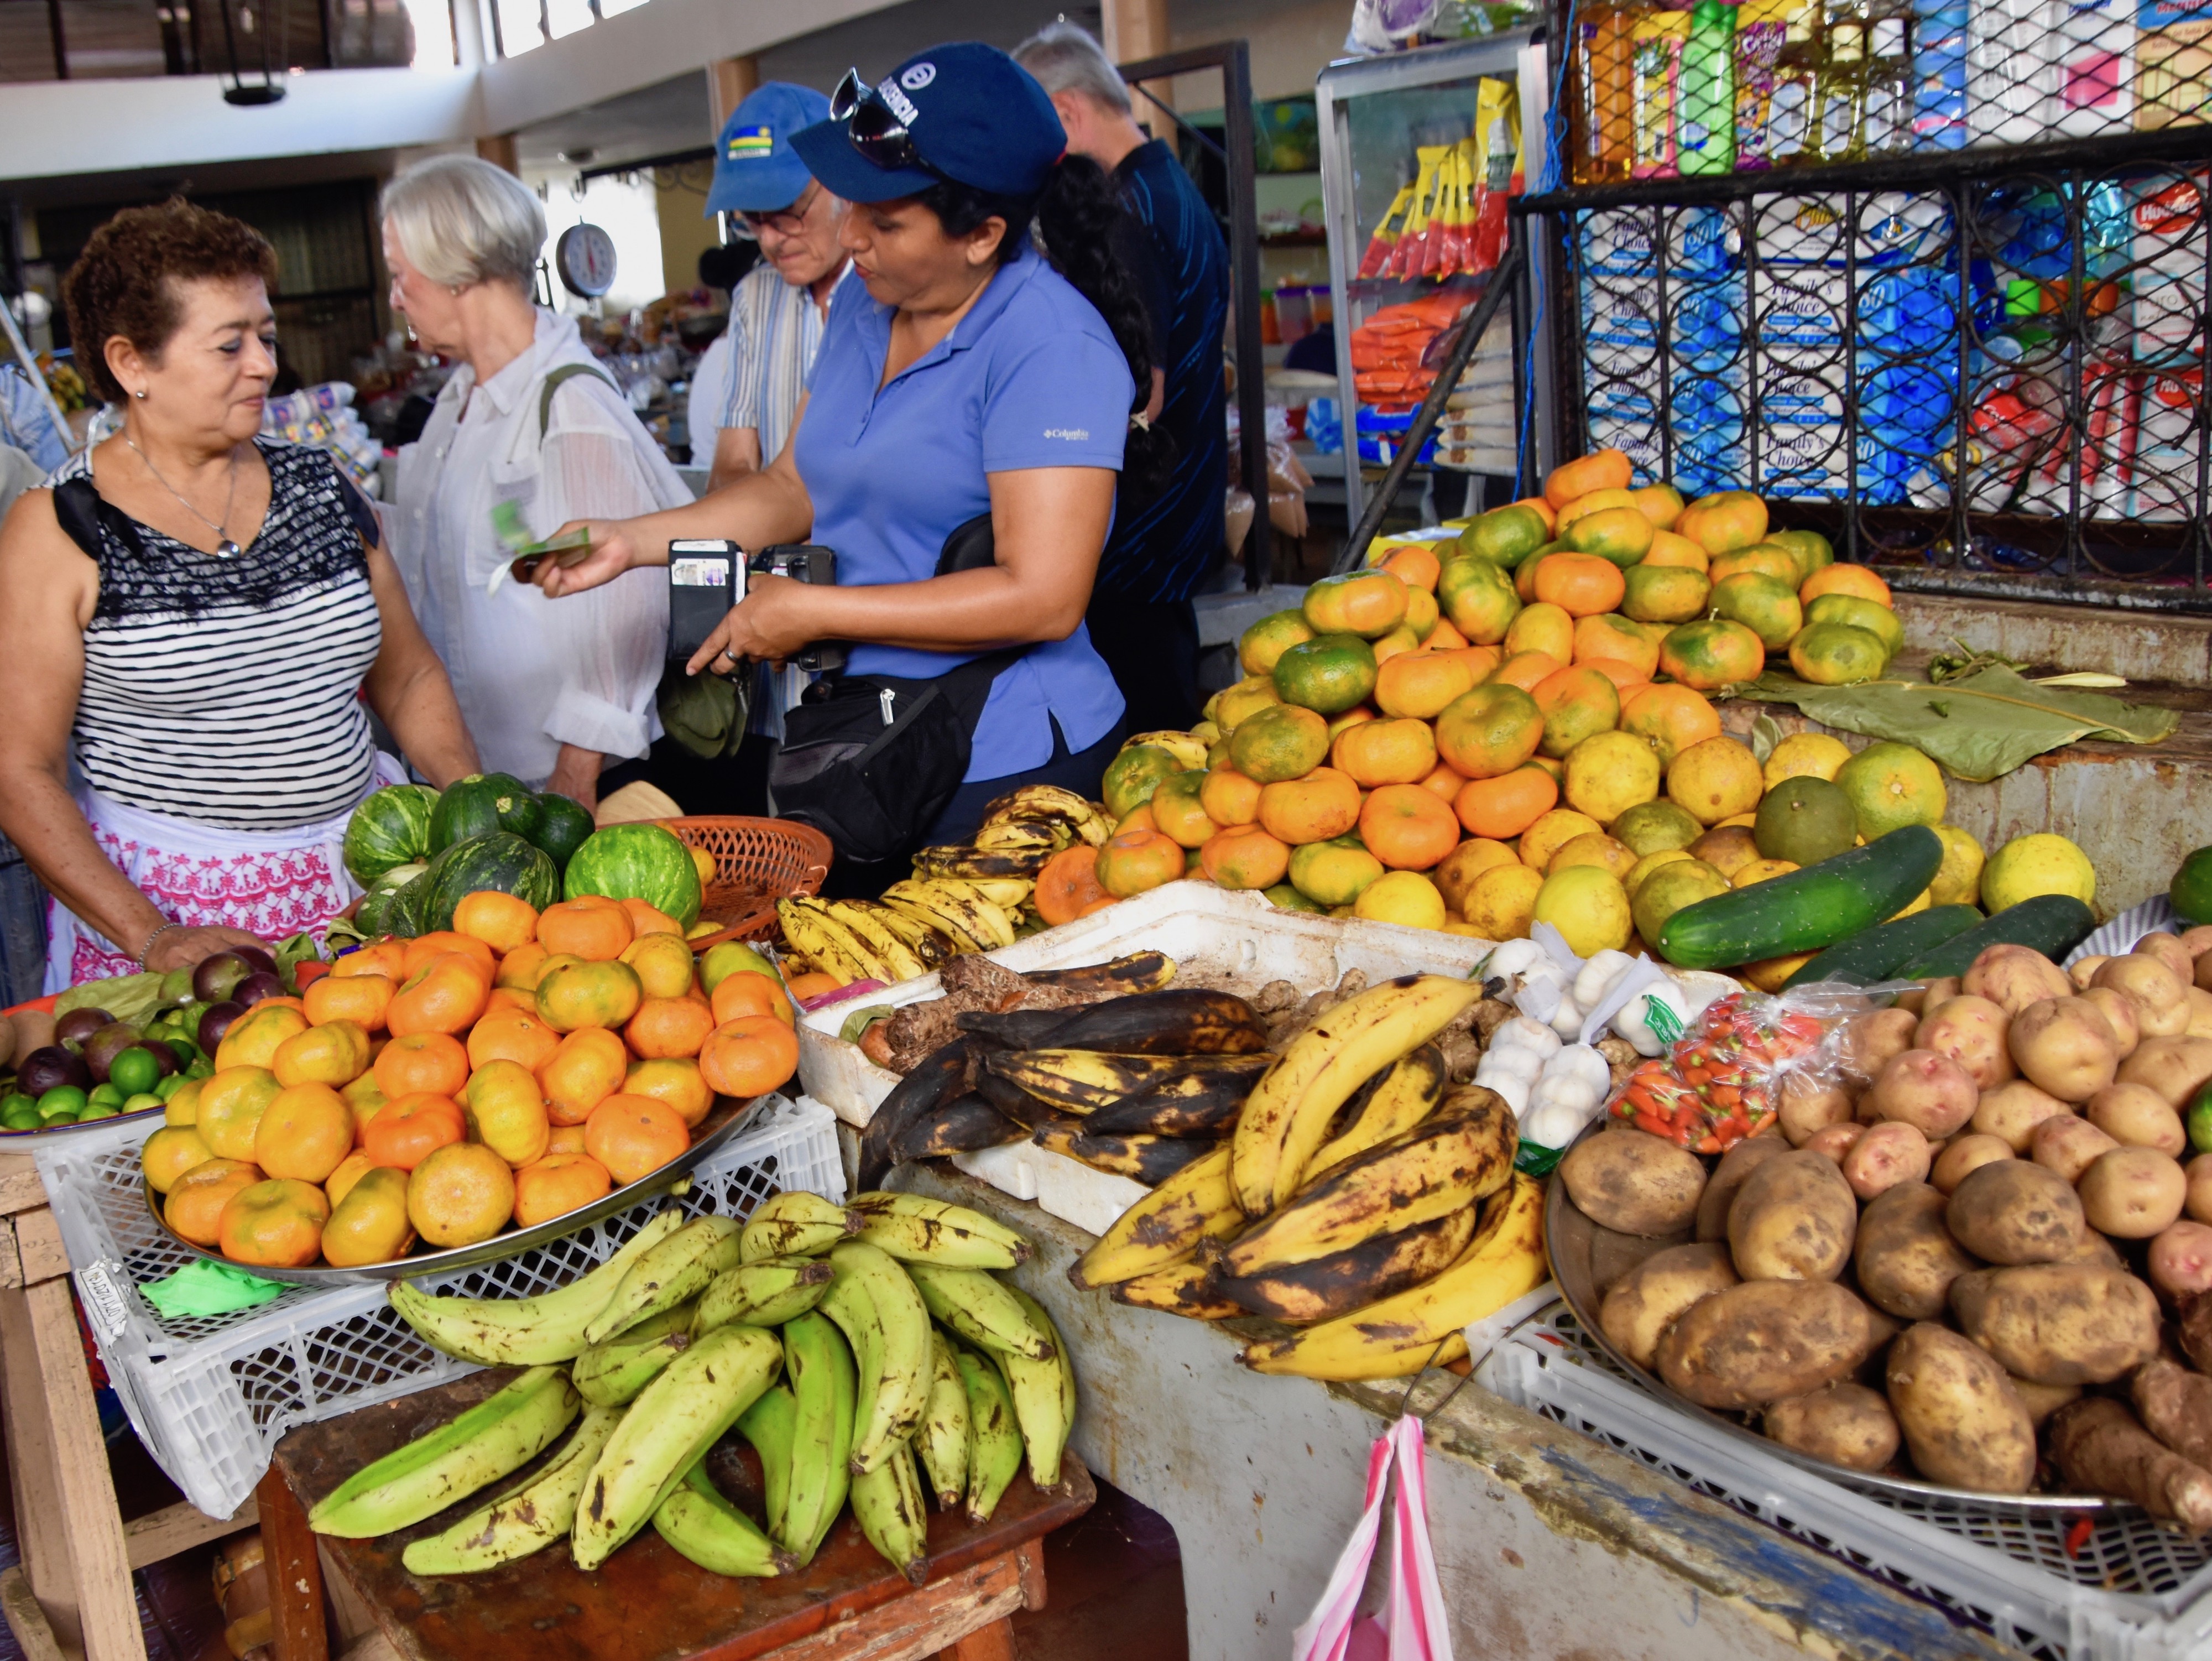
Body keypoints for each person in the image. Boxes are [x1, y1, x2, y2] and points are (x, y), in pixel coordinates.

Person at [530, 44, 1166, 868]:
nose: (854, 235)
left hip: (1004, 760)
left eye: (888, 220)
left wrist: (817, 613)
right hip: (873, 735)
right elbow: (795, 483)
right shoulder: (869, 303)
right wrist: (633, 540)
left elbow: (1043, 596)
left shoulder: (1050, 347)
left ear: (982, 235)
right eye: (854, 202)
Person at [0, 199, 479, 988]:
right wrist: (153, 935)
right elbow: (21, 768)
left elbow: (409, 675)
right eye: (230, 344)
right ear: (132, 364)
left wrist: (469, 813)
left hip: (369, 899)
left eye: (265, 336)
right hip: (180, 926)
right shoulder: (59, 529)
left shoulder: (318, 486)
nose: (262, 364)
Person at [384, 155, 691, 811]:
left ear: (456, 267)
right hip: (491, 775)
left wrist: (576, 776)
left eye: (400, 276)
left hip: (569, 784)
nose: (396, 298)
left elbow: (631, 604)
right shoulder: (458, 403)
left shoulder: (570, 408)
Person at [1015, 21, 1230, 733]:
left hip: (1140, 540)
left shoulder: (1129, 213)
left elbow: (1143, 392)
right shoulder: (1172, 190)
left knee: (1150, 754)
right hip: (1173, 527)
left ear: (1067, 114)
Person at [700, 84, 853, 493]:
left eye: (787, 213)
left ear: (841, 184)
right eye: (752, 219)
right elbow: (732, 465)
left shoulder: (891, 295)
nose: (769, 240)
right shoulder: (755, 299)